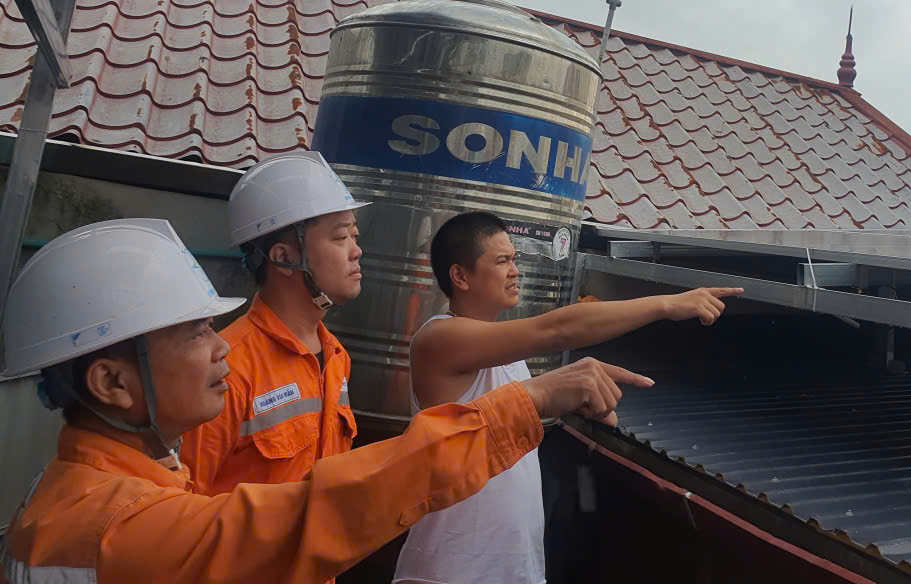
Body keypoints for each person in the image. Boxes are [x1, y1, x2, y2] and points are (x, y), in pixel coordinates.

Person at [0, 218, 650, 584]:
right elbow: (318, 508)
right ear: (111, 384)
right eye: (195, 333)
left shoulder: (111, 487)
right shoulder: (117, 527)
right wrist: (530, 401)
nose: (220, 348)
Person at [393, 211, 743, 584]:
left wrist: (583, 398)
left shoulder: (509, 359)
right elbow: (557, 329)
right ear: (460, 276)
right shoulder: (438, 339)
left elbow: (515, 417)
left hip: (514, 571)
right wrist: (666, 305)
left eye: (514, 259)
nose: (515, 271)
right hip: (448, 571)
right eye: (502, 261)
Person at [181, 151, 366, 495]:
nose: (356, 251)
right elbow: (186, 504)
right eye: (341, 238)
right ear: (283, 257)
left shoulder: (336, 357)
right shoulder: (227, 368)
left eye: (355, 236)